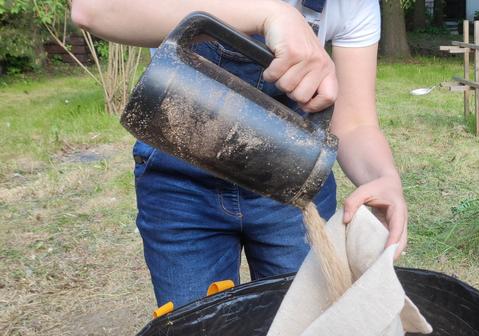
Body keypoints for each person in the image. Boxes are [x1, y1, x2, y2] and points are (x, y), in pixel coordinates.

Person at [71, 0, 408, 307]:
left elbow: (354, 121)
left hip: (290, 176)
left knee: (305, 331)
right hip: (181, 185)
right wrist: (270, 14)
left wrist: (385, 177)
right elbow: (93, 9)